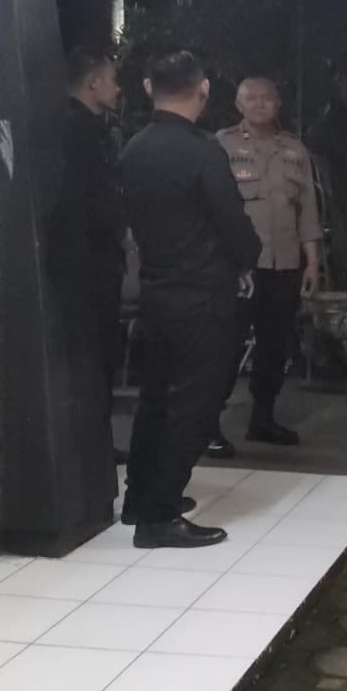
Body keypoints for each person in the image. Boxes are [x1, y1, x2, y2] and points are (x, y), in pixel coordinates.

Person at [120, 51, 261, 548]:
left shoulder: (133, 149)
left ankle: (139, 498)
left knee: (156, 398)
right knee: (193, 406)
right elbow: (233, 224)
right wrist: (246, 260)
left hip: (156, 293)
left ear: (148, 88)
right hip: (201, 296)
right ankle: (158, 517)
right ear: (203, 90)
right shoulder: (202, 152)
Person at [206, 77, 322, 457]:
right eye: (251, 99)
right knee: (227, 344)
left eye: (266, 98)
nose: (259, 104)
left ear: (278, 104)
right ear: (238, 105)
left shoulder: (295, 150)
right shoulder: (221, 145)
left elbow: (307, 210)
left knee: (275, 346)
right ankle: (207, 425)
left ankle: (263, 419)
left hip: (284, 263)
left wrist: (312, 262)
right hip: (240, 267)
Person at [51, 47, 127, 463]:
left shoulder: (86, 126)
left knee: (98, 356)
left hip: (90, 260)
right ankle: (91, 446)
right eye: (112, 78)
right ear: (93, 81)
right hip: (85, 263)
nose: (117, 88)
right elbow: (85, 200)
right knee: (90, 357)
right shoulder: (75, 129)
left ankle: (97, 442)